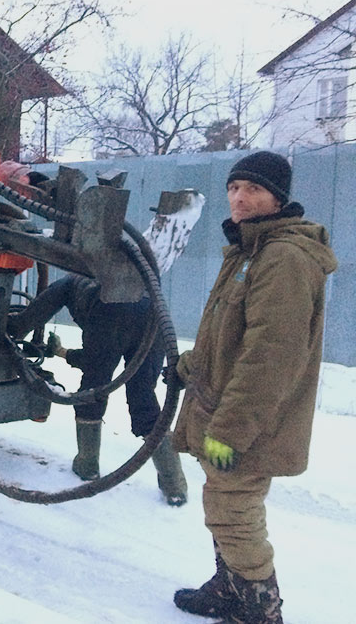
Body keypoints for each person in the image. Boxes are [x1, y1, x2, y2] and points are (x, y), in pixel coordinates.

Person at [170, 151, 337, 623]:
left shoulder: (283, 257)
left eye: (253, 190)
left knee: (234, 512)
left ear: (277, 198)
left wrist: (231, 431)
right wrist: (189, 367)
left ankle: (262, 610)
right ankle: (230, 590)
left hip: (247, 423)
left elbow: (271, 358)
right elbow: (230, 336)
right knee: (222, 505)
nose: (239, 199)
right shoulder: (253, 250)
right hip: (226, 410)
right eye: (233, 188)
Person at [7, 273, 189, 506]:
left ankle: (87, 465)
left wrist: (11, 328)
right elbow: (99, 353)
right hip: (155, 317)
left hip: (110, 313)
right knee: (144, 398)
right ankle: (174, 486)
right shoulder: (132, 279)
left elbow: (92, 357)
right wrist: (62, 351)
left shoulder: (69, 285)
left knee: (92, 391)